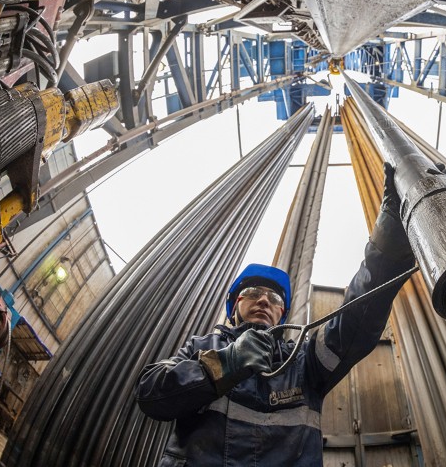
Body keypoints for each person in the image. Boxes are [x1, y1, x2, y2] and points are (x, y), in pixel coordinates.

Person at [136, 163, 415, 466]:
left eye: (273, 299)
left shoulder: (303, 363)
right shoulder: (202, 348)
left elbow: (354, 324)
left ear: (282, 315)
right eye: (253, 294)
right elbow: (151, 393)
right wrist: (225, 364)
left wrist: (387, 255)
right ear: (234, 307)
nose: (263, 301)